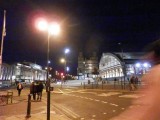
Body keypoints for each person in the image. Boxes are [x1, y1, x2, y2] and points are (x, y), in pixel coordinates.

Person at [110, 39, 160, 120]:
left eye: (150, 54)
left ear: (155, 55)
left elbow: (147, 110)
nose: (146, 57)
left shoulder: (156, 74)